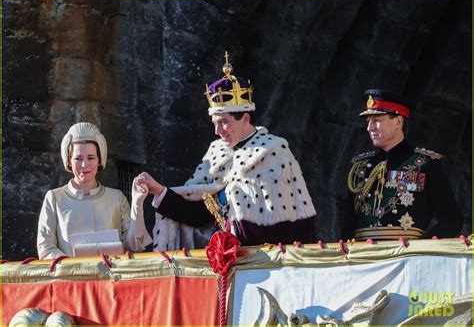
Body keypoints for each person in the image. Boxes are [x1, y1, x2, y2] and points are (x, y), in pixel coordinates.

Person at [135, 52, 317, 250]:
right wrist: (159, 190)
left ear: (245, 119)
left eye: (224, 122)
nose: (217, 131)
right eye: (215, 123)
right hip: (221, 258)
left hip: (264, 261)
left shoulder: (275, 151)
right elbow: (198, 215)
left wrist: (235, 199)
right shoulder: (215, 153)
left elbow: (293, 225)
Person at [343, 89, 463, 241]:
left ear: (398, 122)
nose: (370, 128)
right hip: (363, 258)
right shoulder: (360, 166)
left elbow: (451, 220)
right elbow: (348, 226)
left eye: (377, 121)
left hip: (405, 259)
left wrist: (420, 248)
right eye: (368, 122)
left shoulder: (426, 164)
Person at [37, 122, 152, 259]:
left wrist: (137, 205)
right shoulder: (54, 198)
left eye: (91, 157)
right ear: (69, 161)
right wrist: (73, 267)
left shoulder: (117, 197)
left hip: (112, 279)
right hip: (73, 278)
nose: (84, 165)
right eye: (78, 158)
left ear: (99, 160)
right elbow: (46, 247)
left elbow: (134, 246)